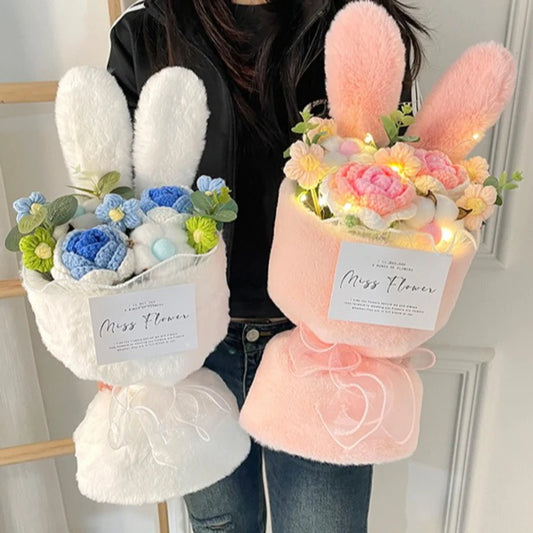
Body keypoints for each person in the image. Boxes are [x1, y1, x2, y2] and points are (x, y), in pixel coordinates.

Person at [108, 1, 427, 531]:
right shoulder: (147, 30)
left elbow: (405, 196)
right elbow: (113, 204)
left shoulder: (361, 24)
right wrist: (117, 352)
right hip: (191, 349)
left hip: (327, 352)